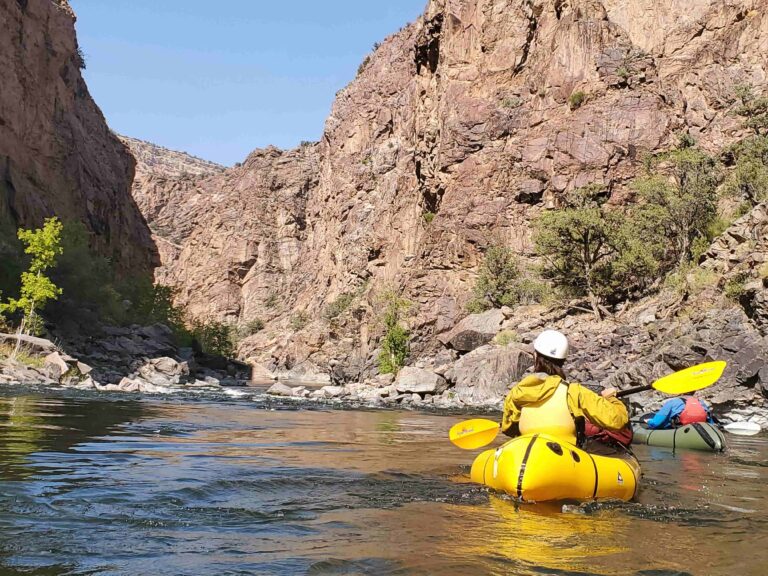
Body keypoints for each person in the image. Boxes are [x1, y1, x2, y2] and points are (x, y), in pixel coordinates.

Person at [501, 329, 629, 449]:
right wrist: (611, 399)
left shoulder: (517, 392)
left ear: (535, 356)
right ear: (563, 360)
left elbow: (508, 429)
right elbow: (616, 421)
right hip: (565, 455)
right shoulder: (574, 392)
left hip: (529, 450)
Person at [644, 395, 714, 429]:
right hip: (701, 429)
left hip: (680, 430)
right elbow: (711, 423)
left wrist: (649, 421)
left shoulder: (672, 402)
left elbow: (656, 423)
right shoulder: (700, 403)